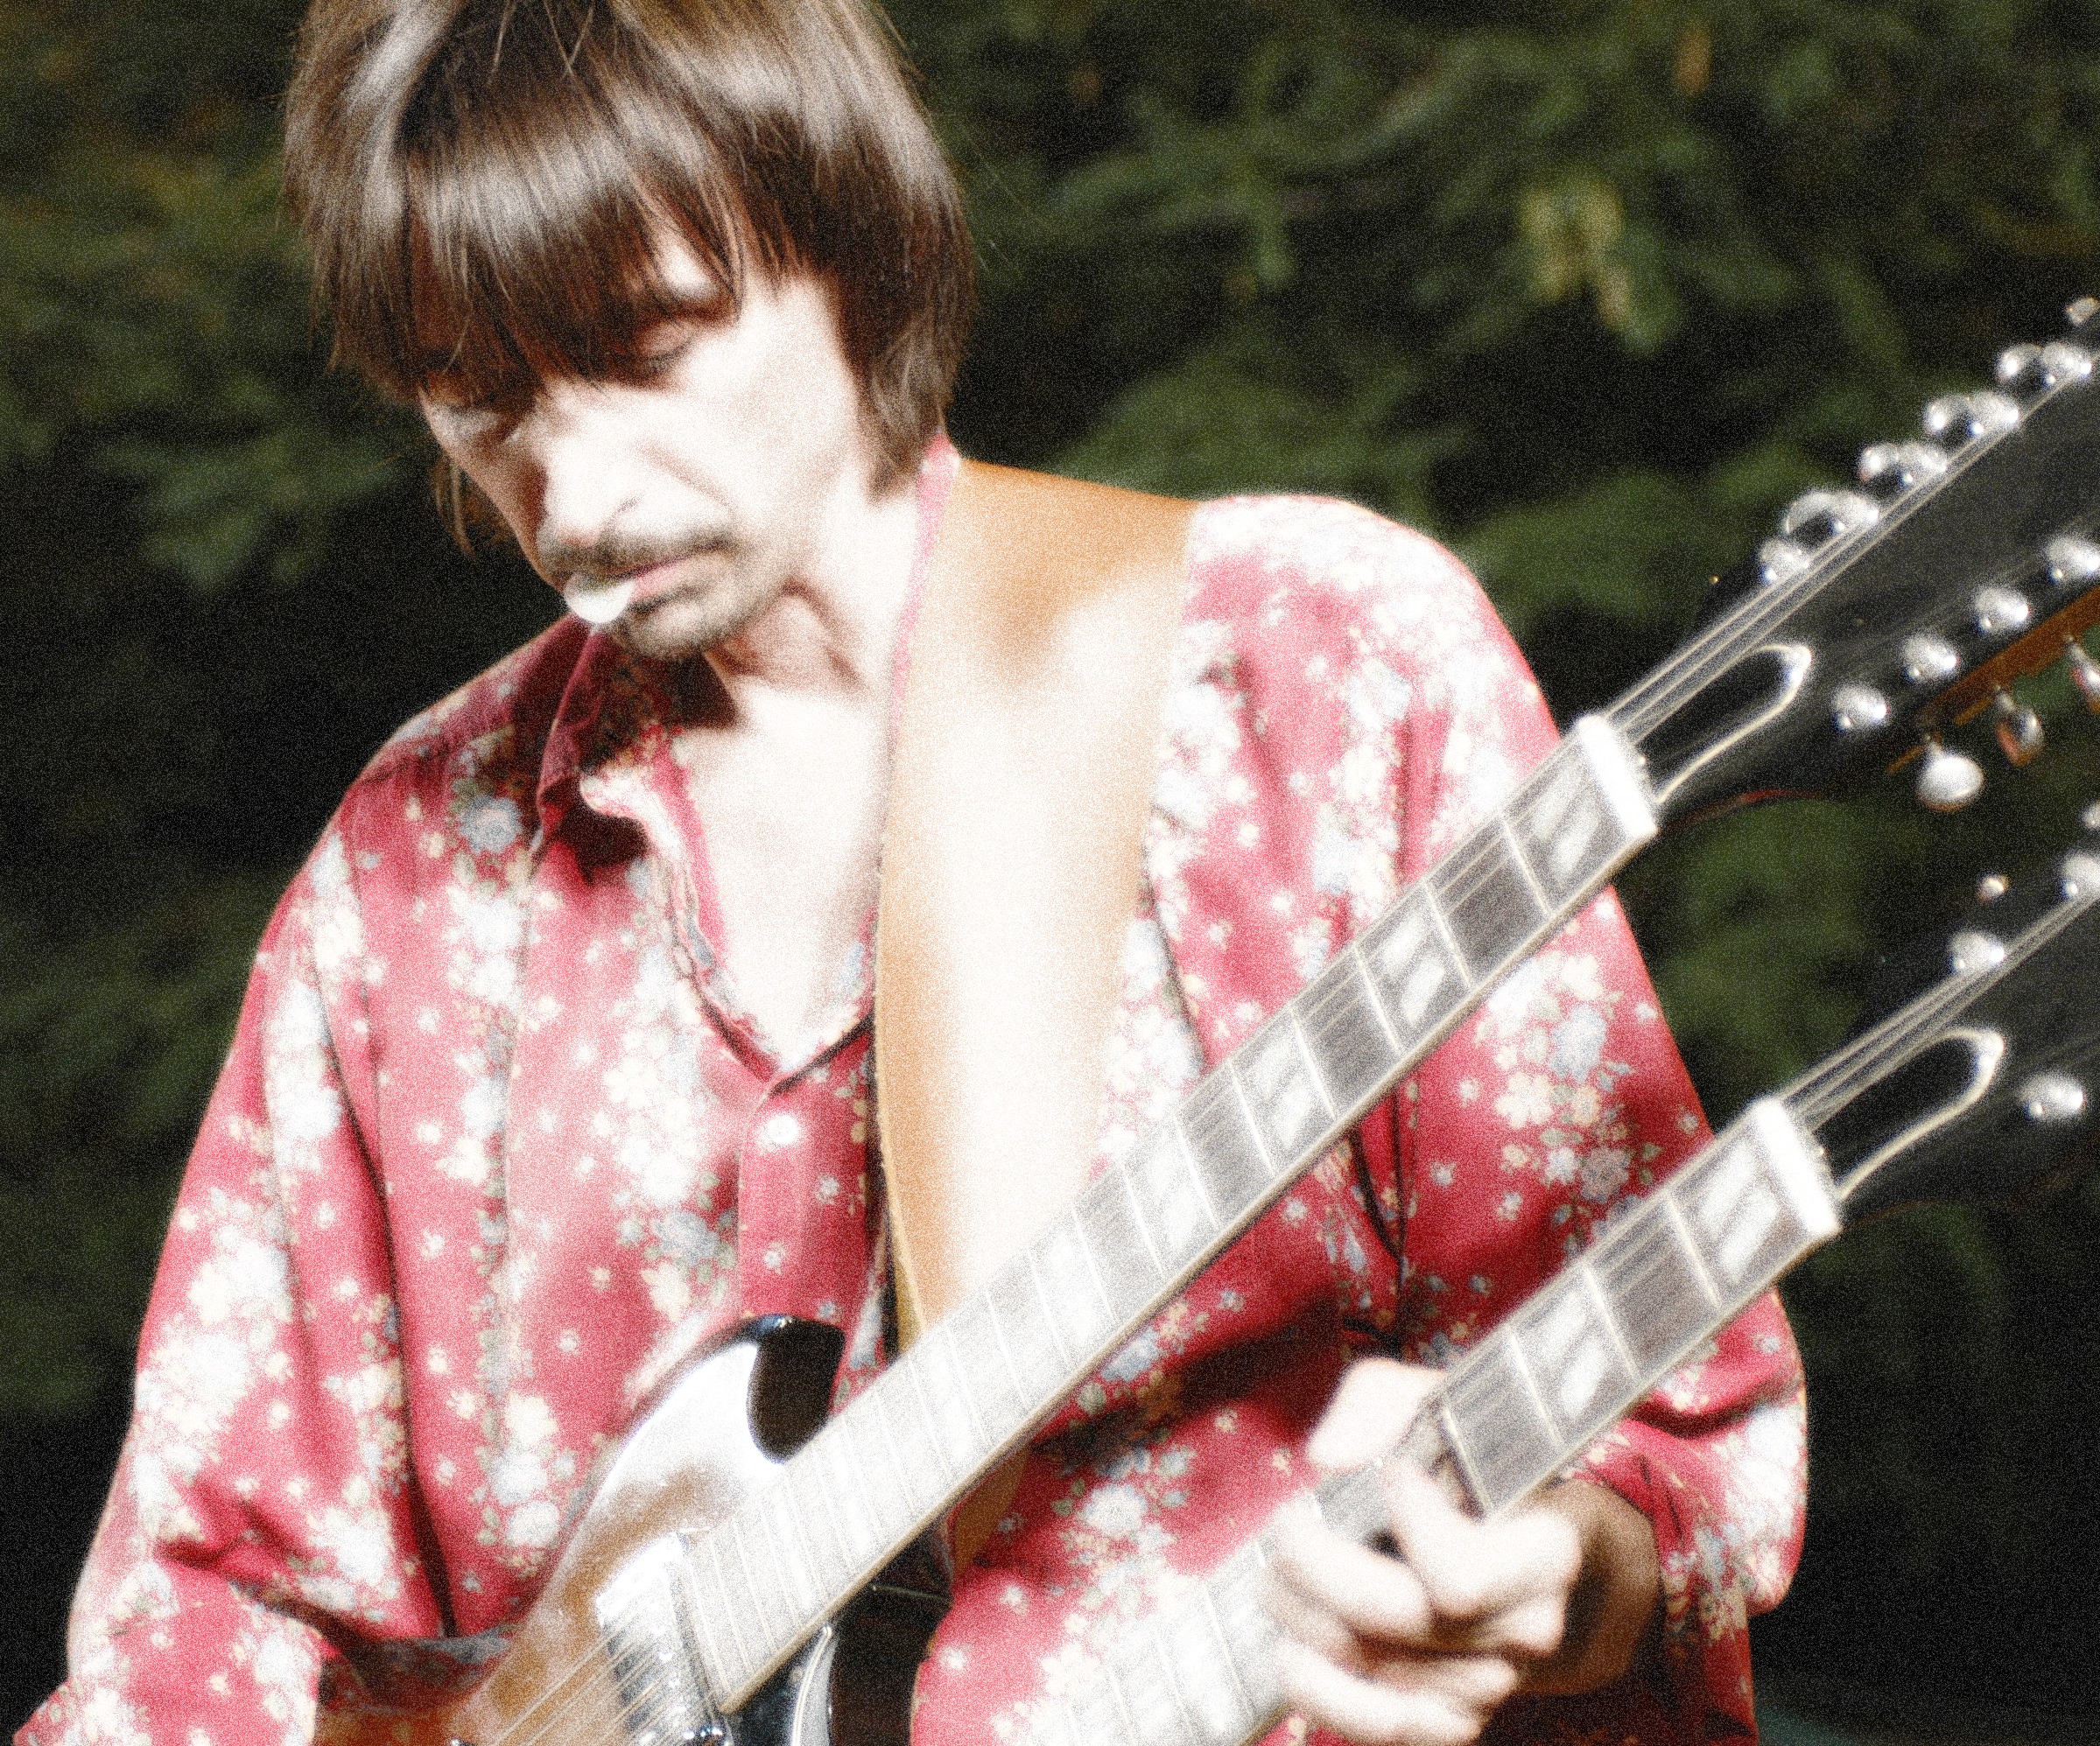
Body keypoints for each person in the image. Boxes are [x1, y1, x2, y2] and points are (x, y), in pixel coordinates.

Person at [19, 3, 1806, 1744]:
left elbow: (1679, 1434)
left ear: (845, 239)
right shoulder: (417, 868)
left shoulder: (1310, 676)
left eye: (648, 348)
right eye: (482, 404)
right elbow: (203, 1610)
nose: (572, 497)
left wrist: (1556, 1573)